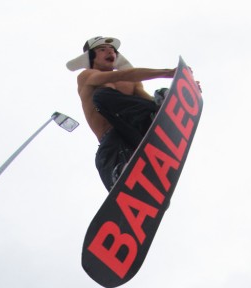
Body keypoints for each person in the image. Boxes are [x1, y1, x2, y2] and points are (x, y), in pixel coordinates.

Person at [67, 35, 175, 191]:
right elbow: (122, 74)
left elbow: (147, 102)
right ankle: (121, 177)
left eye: (112, 50)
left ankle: (159, 110)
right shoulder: (86, 76)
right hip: (115, 140)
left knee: (151, 103)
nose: (109, 52)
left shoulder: (132, 82)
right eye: (102, 50)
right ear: (91, 57)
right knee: (101, 97)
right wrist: (165, 73)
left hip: (140, 129)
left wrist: (177, 96)